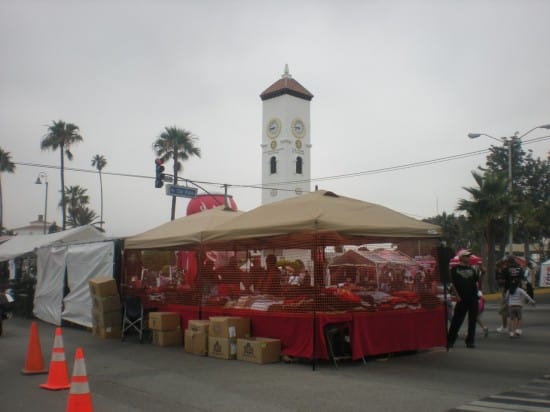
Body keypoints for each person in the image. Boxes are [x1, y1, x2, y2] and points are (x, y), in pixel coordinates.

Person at [447, 249, 480, 349]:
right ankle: (450, 340)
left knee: (472, 320)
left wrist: (482, 273)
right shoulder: (454, 269)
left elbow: (476, 281)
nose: (468, 258)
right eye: (466, 256)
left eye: (469, 256)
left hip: (473, 297)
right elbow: (451, 283)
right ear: (461, 257)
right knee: (457, 320)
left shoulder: (472, 269)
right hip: (462, 298)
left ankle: (470, 341)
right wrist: (456, 295)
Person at [497, 256, 524, 333]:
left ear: (508, 262)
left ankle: (505, 326)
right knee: (516, 310)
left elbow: (501, 281)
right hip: (518, 291)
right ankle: (517, 329)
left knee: (504, 310)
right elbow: (523, 279)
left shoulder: (506, 269)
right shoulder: (519, 269)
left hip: (508, 292)